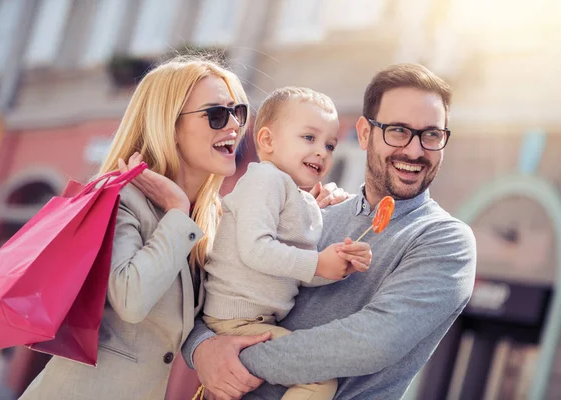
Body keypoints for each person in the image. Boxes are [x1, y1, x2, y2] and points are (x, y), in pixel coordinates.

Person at [19, 56, 347, 400]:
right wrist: (178, 211)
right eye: (217, 115)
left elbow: (233, 290)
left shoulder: (210, 217)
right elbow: (132, 299)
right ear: (169, 123)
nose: (234, 126)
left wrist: (303, 208)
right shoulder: (123, 199)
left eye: (238, 113)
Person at [181, 63, 477, 400]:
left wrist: (230, 360)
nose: (415, 150)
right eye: (398, 130)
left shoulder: (444, 240)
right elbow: (215, 282)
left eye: (432, 135)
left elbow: (371, 342)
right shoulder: (315, 211)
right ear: (365, 134)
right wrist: (201, 347)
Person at [201, 87, 372, 400]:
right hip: (234, 320)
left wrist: (337, 267)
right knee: (319, 379)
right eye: (309, 138)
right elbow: (257, 250)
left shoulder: (300, 198)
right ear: (267, 141)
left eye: (330, 144)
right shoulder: (265, 180)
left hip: (254, 320)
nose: (322, 151)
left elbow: (292, 271)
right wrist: (319, 263)